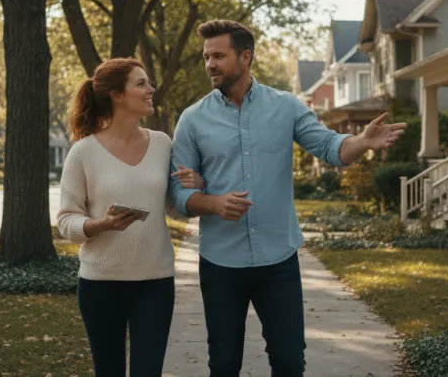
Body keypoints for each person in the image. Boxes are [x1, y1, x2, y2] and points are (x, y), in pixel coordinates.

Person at [168, 20, 407, 377]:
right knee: (223, 362)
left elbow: (328, 146)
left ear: (245, 56)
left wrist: (362, 142)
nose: (210, 64)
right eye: (206, 57)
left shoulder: (285, 106)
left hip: (277, 258)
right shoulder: (192, 119)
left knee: (289, 361)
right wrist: (213, 203)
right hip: (220, 261)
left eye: (219, 55)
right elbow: (178, 193)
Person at [56, 57, 204, 377]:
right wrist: (100, 225)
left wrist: (195, 187)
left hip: (155, 281)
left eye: (148, 83)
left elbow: (173, 207)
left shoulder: (162, 144)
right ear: (117, 95)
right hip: (100, 284)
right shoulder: (83, 152)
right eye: (141, 84)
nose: (151, 89)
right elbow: (66, 221)